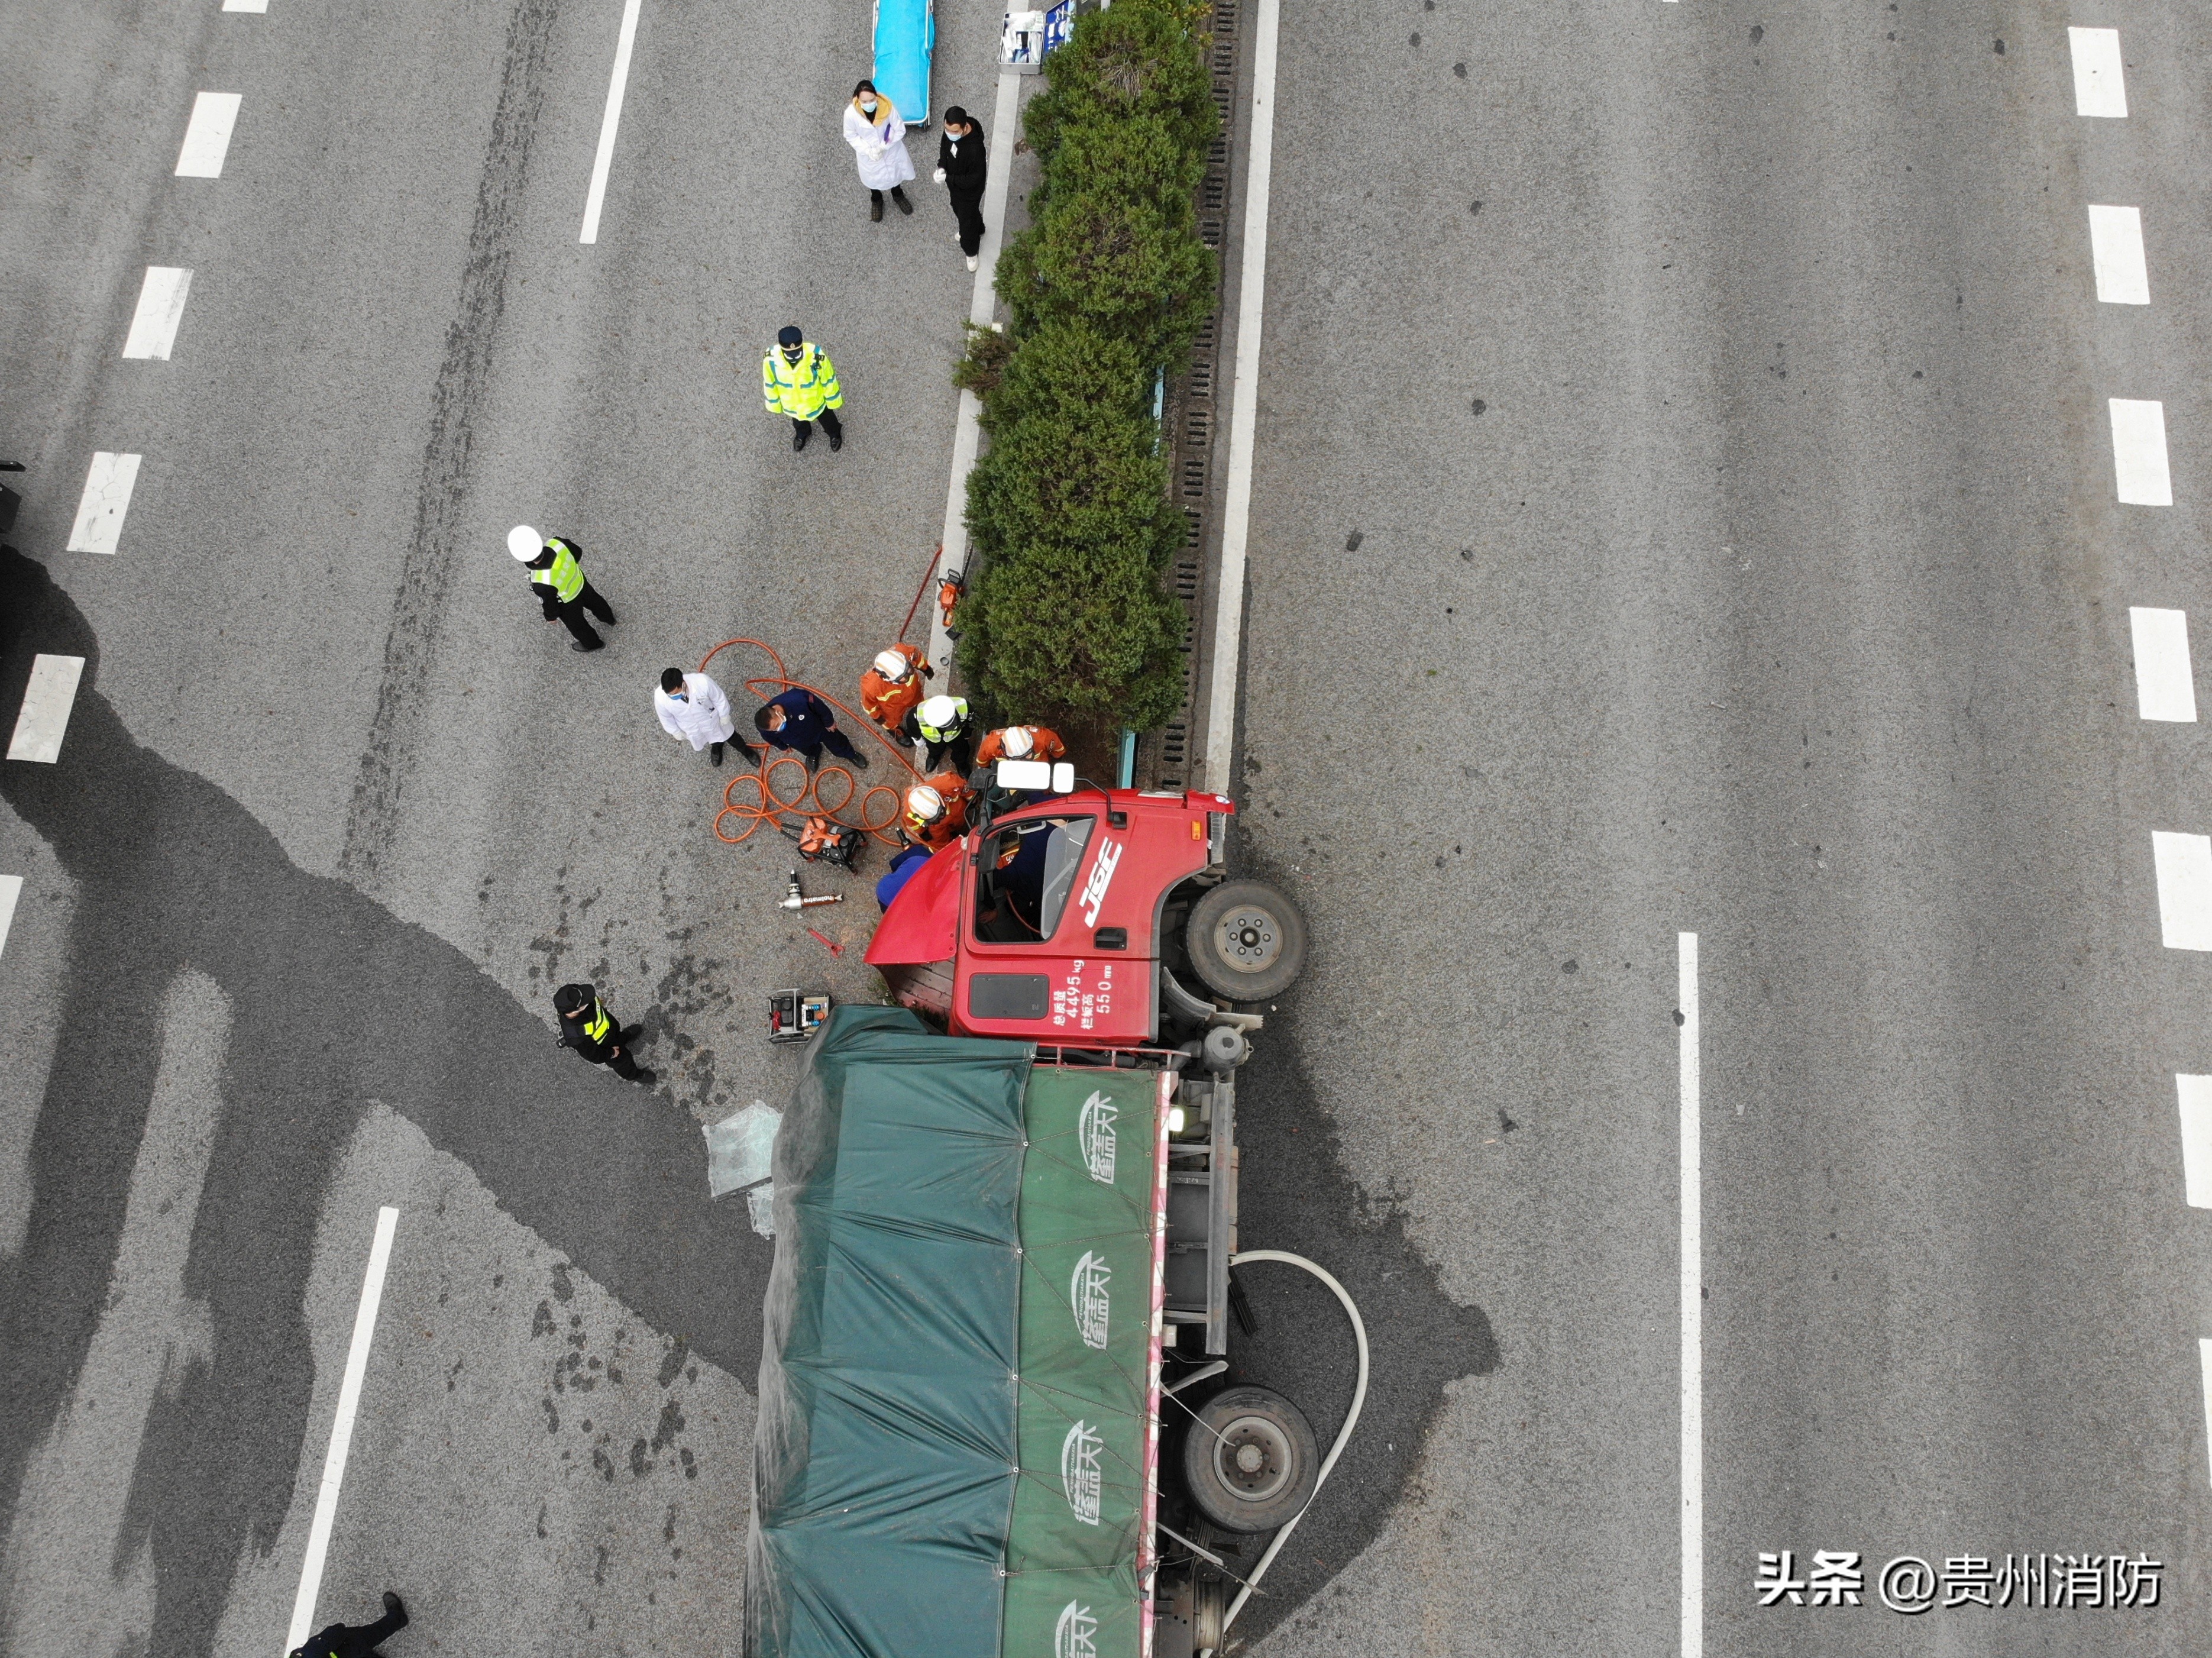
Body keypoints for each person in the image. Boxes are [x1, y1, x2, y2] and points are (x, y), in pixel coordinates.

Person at [509, 525, 616, 652]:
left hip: (568, 603)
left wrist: (550, 617)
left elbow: (550, 604)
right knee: (596, 601)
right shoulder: (557, 543)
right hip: (580, 582)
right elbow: (577, 552)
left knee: (578, 626)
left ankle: (593, 644)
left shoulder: (540, 580)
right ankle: (609, 618)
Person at [552, 983, 655, 1085]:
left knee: (619, 1038)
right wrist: (611, 1053)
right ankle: (634, 1075)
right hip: (607, 1047)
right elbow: (595, 1056)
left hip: (611, 1031)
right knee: (623, 1062)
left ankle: (624, 1037)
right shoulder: (577, 1036)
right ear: (576, 1010)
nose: (590, 996)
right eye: (585, 1001)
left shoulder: (576, 999)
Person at [762, 327, 843, 453]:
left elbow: (828, 380)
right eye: (789, 354)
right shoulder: (770, 359)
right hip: (793, 404)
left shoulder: (816, 356)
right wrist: (774, 404)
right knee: (798, 422)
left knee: (828, 419)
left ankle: (834, 434)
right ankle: (803, 433)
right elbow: (770, 382)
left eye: (797, 352)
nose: (794, 357)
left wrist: (833, 401)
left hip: (816, 400)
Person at [844, 79, 914, 221]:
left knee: (895, 175)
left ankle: (898, 195)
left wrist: (884, 146)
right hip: (868, 157)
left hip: (891, 151)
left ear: (876, 96)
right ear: (857, 99)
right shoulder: (851, 114)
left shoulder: (887, 108)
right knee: (873, 181)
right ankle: (876, 200)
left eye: (872, 100)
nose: (869, 104)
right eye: (865, 102)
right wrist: (868, 151)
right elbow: (850, 135)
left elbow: (899, 129)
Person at [753, 687, 869, 771]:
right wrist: (783, 747)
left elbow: (821, 708)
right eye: (775, 730)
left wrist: (829, 722)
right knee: (807, 750)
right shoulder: (764, 728)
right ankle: (814, 754)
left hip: (820, 728)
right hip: (798, 741)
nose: (778, 729)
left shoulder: (799, 699)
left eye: (777, 725)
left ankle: (849, 753)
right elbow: (771, 738)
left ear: (777, 713)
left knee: (836, 741)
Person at [934, 106, 987, 271]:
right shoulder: (951, 132)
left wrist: (949, 178)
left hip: (970, 192)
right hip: (955, 186)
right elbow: (944, 147)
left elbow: (974, 179)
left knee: (966, 221)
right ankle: (980, 228)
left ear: (965, 128)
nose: (950, 133)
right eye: (947, 129)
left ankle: (971, 251)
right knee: (961, 210)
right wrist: (942, 166)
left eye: (954, 131)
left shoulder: (975, 150)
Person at [655, 667, 736, 767]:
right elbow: (665, 718)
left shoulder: (702, 682)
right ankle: (717, 748)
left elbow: (719, 698)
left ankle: (746, 751)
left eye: (675, 693)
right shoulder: (660, 697)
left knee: (731, 735)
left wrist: (724, 715)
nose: (672, 697)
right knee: (710, 738)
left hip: (712, 719)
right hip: (692, 728)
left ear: (682, 683)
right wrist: (675, 732)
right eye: (669, 694)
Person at [290, 1592, 409, 1658]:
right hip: (351, 1646)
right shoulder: (310, 1652)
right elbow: (337, 1631)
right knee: (376, 1632)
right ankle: (398, 1618)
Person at [859, 642, 932, 737]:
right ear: (887, 679)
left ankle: (921, 713)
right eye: (904, 677)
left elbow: (918, 658)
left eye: (909, 670)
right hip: (892, 707)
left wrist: (926, 668)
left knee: (920, 704)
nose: (908, 675)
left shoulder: (903, 651)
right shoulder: (871, 687)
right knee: (891, 720)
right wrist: (877, 717)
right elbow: (869, 706)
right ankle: (893, 728)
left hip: (914, 693)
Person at [900, 694, 973, 777]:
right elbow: (913, 729)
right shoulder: (916, 716)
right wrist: (918, 739)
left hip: (956, 736)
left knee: (962, 750)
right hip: (933, 740)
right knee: (934, 749)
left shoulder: (964, 706)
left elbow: (970, 722)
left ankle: (961, 764)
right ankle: (934, 757)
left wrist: (967, 734)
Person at [902, 775, 971, 852]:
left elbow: (968, 791)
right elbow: (912, 823)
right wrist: (922, 832)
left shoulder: (950, 782)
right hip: (936, 827)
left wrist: (973, 802)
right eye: (936, 819)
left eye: (940, 814)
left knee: (963, 824)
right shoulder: (910, 811)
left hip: (957, 810)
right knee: (939, 844)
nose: (940, 819)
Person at [875, 842, 934, 911]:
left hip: (884, 888)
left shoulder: (918, 857)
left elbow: (893, 863)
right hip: (893, 901)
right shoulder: (932, 880)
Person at [975, 723, 1066, 767]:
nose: (1023, 762)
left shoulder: (1045, 738)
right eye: (1018, 759)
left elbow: (1059, 752)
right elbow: (982, 762)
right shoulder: (990, 745)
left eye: (1027, 755)